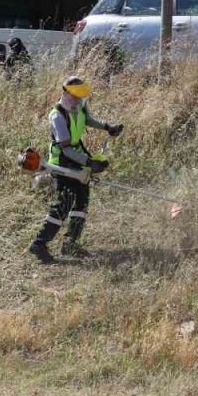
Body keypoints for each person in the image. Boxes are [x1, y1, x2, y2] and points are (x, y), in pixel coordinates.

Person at [28, 77, 124, 263]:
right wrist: (89, 162)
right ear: (66, 93)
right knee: (63, 205)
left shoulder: (79, 104)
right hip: (62, 163)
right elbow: (66, 149)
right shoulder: (57, 116)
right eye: (75, 97)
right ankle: (39, 244)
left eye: (80, 97)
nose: (78, 101)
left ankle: (70, 243)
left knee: (82, 200)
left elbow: (87, 119)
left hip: (77, 158)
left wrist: (107, 127)